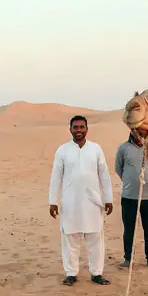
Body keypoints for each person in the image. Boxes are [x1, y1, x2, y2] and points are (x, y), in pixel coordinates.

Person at [48, 115, 114, 286]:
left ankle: (96, 273)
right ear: (70, 129)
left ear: (86, 129)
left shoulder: (96, 149)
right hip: (71, 203)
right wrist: (52, 201)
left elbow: (104, 176)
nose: (78, 130)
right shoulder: (62, 150)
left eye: (81, 127)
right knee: (70, 239)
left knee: (95, 239)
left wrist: (108, 198)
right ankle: (71, 273)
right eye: (75, 127)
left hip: (93, 202)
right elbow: (55, 177)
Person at [114, 133, 148, 270]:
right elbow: (118, 168)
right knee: (129, 229)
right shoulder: (123, 148)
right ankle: (127, 258)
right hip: (129, 197)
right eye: (136, 130)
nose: (139, 133)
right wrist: (130, 182)